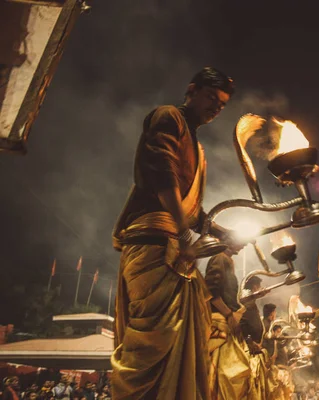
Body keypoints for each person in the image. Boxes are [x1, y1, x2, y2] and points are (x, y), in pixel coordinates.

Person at [110, 67, 236, 399]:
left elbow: (191, 211)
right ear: (191, 90)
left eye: (222, 105)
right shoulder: (169, 118)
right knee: (154, 340)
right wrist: (182, 233)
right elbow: (160, 170)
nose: (216, 108)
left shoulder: (200, 150)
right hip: (152, 242)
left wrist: (222, 233)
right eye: (211, 98)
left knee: (189, 333)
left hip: (174, 247)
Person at [204, 246, 250, 399]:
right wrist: (229, 315)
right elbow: (211, 292)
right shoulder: (219, 258)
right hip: (219, 325)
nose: (244, 244)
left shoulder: (227, 260)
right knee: (221, 376)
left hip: (227, 325)